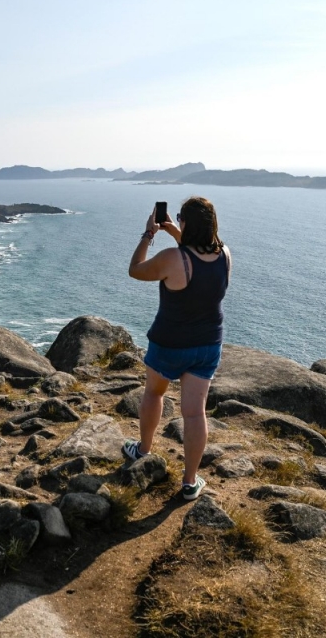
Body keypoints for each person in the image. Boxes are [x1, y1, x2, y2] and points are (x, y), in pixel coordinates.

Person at [125, 196, 231, 500]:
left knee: (154, 394)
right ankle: (189, 482)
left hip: (168, 344)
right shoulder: (225, 254)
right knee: (195, 414)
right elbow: (198, 251)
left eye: (182, 218)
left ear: (187, 222)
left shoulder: (173, 258)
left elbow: (135, 269)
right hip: (208, 345)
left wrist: (149, 234)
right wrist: (173, 229)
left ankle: (143, 450)